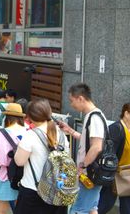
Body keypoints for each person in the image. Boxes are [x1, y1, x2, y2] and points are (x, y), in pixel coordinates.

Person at [57, 83, 108, 214]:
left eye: (71, 100)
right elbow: (88, 141)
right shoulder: (93, 116)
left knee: (78, 210)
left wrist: (82, 166)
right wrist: (70, 131)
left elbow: (96, 147)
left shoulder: (94, 117)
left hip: (89, 173)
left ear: (80, 98)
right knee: (92, 208)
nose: (71, 105)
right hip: (93, 172)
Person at [13, 98, 68, 214]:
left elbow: (19, 162)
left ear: (30, 116)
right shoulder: (62, 135)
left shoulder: (30, 136)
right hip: (57, 192)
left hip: (33, 192)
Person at [0, 103, 27, 214]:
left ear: (7, 117)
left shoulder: (3, 133)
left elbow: (0, 159)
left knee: (0, 210)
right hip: (24, 176)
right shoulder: (28, 131)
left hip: (6, 176)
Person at [98, 102, 130, 214]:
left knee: (127, 206)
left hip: (127, 174)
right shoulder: (116, 129)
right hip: (114, 174)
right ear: (126, 113)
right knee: (105, 204)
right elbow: (109, 155)